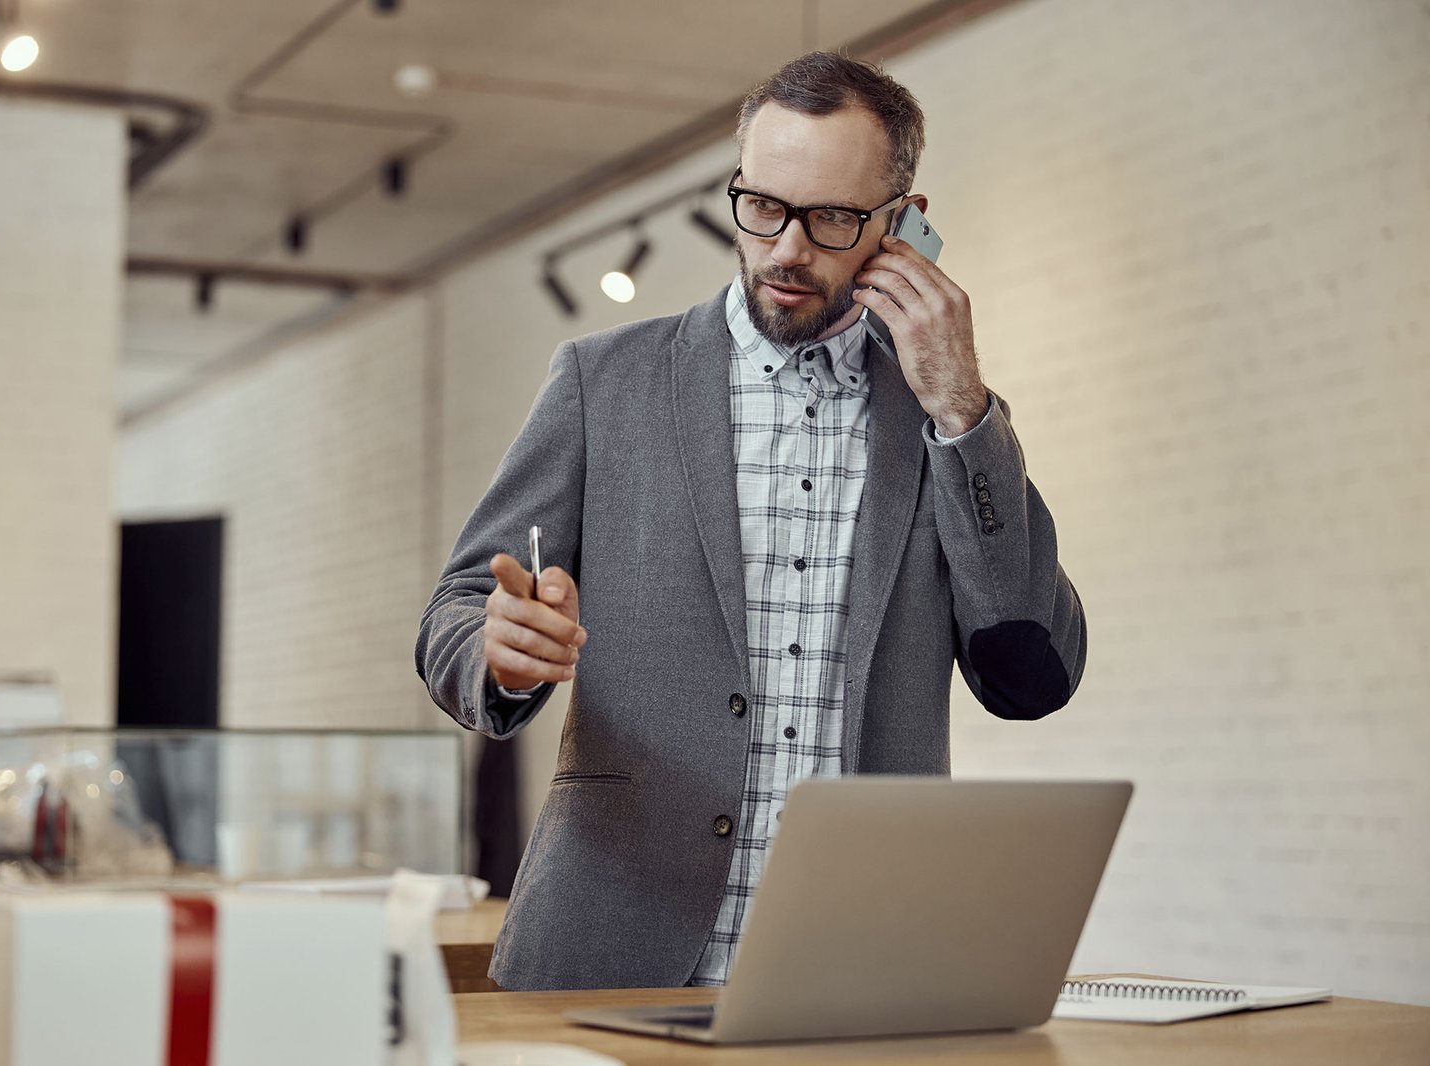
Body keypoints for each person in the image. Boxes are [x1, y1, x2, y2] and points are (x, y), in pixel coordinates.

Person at [416, 51, 1087, 992]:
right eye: (762, 205)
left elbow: (1035, 672)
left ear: (904, 224)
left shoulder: (950, 420)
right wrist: (495, 647)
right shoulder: (601, 382)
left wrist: (959, 409)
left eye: (833, 219)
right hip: (612, 953)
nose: (785, 249)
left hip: (861, 965)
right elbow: (452, 609)